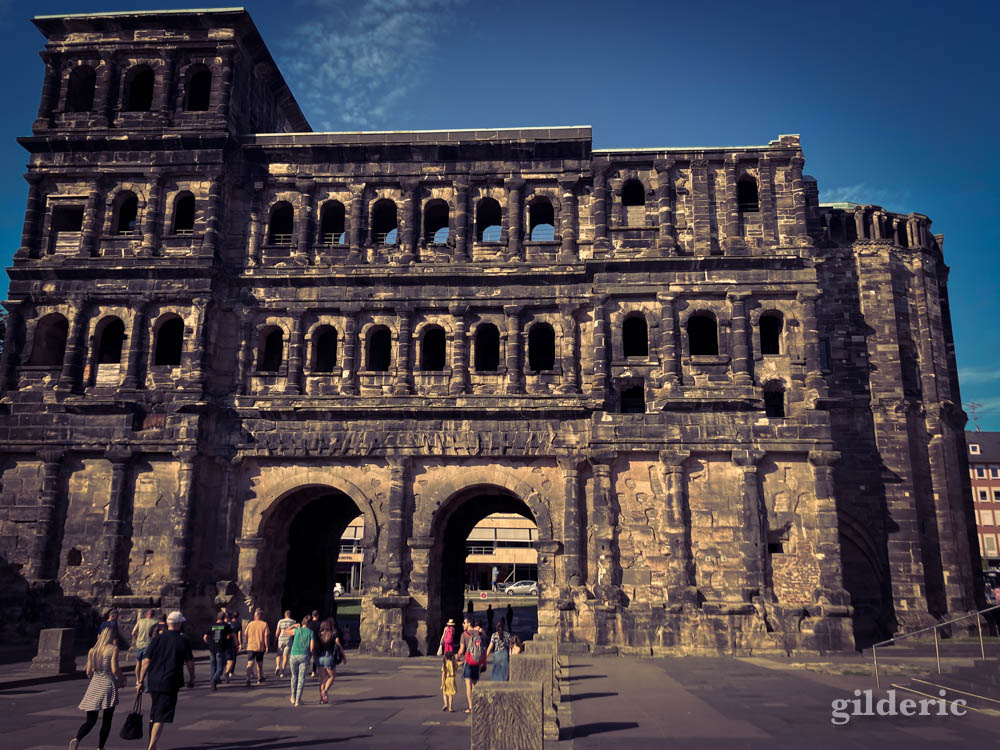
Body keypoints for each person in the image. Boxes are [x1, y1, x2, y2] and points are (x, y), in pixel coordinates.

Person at [137, 610, 194, 750]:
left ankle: (152, 744)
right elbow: (190, 663)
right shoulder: (183, 640)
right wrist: (192, 677)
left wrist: (140, 680)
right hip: (170, 681)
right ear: (179, 624)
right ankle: (152, 746)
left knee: (154, 712)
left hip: (153, 680)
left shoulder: (157, 638)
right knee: (161, 715)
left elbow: (145, 662)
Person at [69, 626, 124, 750]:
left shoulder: (92, 651)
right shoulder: (113, 649)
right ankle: (100, 747)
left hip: (94, 685)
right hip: (108, 685)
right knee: (107, 720)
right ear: (112, 637)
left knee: (91, 720)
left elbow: (89, 672)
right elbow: (115, 670)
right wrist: (123, 678)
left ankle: (77, 739)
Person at [456, 617, 486, 713]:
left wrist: (456, 657)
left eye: (464, 622)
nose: (462, 624)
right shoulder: (479, 633)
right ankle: (478, 705)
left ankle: (471, 707)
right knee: (475, 685)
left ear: (469, 623)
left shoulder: (463, 635)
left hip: (468, 662)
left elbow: (461, 650)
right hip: (476, 661)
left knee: (468, 685)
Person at [316, 618, 345, 704]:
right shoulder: (333, 634)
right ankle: (325, 691)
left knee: (323, 678)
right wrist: (343, 654)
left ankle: (322, 699)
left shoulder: (319, 635)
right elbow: (338, 643)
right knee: (332, 677)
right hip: (329, 657)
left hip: (320, 657)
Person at [288, 614, 314, 707]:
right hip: (304, 655)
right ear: (310, 623)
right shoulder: (311, 632)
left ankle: (292, 697)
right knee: (301, 678)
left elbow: (285, 632)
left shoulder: (296, 631)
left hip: (294, 654)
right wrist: (310, 656)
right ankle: (298, 700)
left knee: (294, 676)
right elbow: (312, 648)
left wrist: (293, 625)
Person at [203, 611, 231, 690]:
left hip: (212, 648)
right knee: (220, 667)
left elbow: (204, 637)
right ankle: (214, 680)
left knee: (213, 666)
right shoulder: (226, 626)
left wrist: (210, 643)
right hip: (221, 648)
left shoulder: (211, 626)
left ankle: (213, 682)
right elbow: (230, 636)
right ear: (224, 618)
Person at [243, 608, 270, 686]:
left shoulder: (250, 624)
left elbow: (246, 634)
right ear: (261, 616)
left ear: (255, 616)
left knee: (250, 663)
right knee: (259, 664)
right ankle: (259, 678)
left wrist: (248, 642)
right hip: (260, 647)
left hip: (251, 646)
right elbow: (266, 637)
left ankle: (248, 679)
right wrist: (267, 646)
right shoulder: (264, 624)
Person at [130, 609, 158, 684]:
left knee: (138, 663)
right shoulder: (155, 622)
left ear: (146, 614)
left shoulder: (140, 621)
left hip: (139, 644)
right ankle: (142, 680)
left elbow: (132, 633)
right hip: (148, 644)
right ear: (153, 615)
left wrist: (137, 639)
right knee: (145, 664)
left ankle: (137, 679)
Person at [274, 609, 296, 678]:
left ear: (285, 615)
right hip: (288, 639)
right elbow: (294, 632)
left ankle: (277, 666)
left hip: (281, 639)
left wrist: (275, 638)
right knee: (285, 656)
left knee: (278, 654)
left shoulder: (280, 621)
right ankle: (282, 672)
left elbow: (277, 631)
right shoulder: (293, 622)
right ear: (290, 615)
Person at [225, 612, 241, 681]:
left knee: (226, 658)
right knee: (233, 658)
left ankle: (226, 671)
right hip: (234, 643)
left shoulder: (228, 624)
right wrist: (239, 644)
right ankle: (231, 672)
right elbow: (239, 635)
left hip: (226, 642)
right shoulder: (238, 624)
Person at [308, 610, 321, 676]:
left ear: (312, 615)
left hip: (309, 641)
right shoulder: (320, 624)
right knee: (315, 657)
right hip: (317, 641)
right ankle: (314, 671)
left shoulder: (309, 624)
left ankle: (305, 669)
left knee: (308, 657)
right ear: (318, 615)